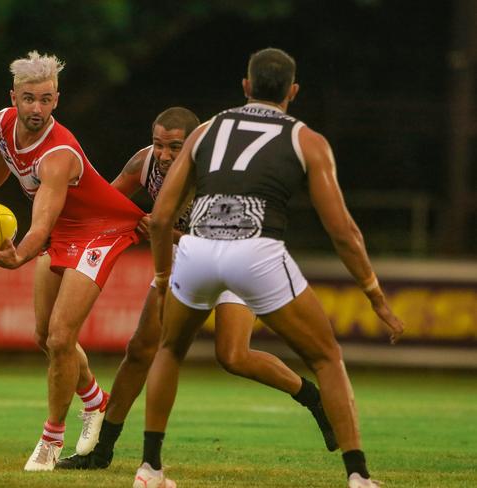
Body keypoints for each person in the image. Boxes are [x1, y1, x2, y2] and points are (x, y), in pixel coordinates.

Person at [135, 48, 405, 488]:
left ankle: (149, 469)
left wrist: (164, 279)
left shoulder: (205, 130)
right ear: (293, 91)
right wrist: (374, 294)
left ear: (246, 86)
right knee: (326, 356)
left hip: (199, 248)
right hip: (255, 250)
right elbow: (343, 231)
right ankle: (358, 475)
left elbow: (162, 217)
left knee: (170, 350)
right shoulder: (306, 140)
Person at [57, 107, 337, 471]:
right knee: (141, 350)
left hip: (232, 252)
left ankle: (313, 399)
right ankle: (101, 452)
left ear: (192, 144)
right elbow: (107, 201)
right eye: (159, 144)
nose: (164, 155)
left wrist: (158, 228)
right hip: (183, 258)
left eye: (174, 146)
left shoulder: (213, 174)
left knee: (233, 356)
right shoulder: (144, 163)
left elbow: (214, 238)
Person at [0, 51, 146, 472]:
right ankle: (96, 402)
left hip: (97, 231)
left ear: (56, 100)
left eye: (45, 99)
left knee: (61, 337)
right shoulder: (0, 125)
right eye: (28, 99)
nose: (36, 108)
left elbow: (39, 227)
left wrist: (16, 257)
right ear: (13, 98)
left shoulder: (57, 156)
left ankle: (51, 441)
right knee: (44, 336)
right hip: (62, 231)